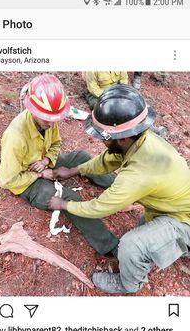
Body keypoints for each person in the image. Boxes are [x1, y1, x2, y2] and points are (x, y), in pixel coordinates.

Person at [49, 84, 190, 294]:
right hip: (172, 208)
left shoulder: (138, 173)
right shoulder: (139, 139)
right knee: (143, 228)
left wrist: (64, 204)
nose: (100, 140)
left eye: (104, 137)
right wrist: (74, 170)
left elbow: (100, 207)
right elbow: (107, 160)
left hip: (183, 221)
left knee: (131, 245)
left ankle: (128, 284)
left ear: (122, 137)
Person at [0, 74, 119, 256]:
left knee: (82, 156)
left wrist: (46, 161)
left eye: (54, 119)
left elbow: (55, 145)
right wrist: (40, 174)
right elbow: (7, 180)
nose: (51, 123)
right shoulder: (15, 137)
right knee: (70, 199)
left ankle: (117, 186)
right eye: (47, 119)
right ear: (32, 110)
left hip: (43, 164)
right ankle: (110, 247)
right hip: (25, 181)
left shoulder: (48, 120)